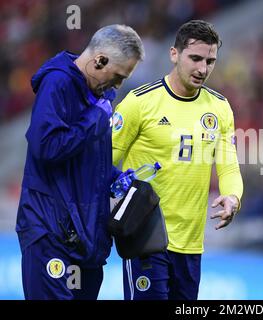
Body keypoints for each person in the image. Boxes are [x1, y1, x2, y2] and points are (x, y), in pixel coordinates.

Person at [112, 19, 243, 300]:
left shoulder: (219, 108)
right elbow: (104, 162)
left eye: (210, 61)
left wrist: (232, 197)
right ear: (174, 54)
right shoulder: (139, 103)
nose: (202, 69)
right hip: (145, 237)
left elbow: (229, 164)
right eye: (195, 58)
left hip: (191, 245)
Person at [16, 24, 144, 300]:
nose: (119, 85)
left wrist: (115, 178)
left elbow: (86, 162)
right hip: (50, 230)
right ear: (100, 60)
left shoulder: (100, 97)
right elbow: (45, 147)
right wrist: (94, 119)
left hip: (86, 238)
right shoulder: (58, 83)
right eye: (119, 76)